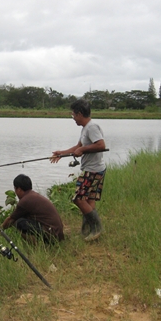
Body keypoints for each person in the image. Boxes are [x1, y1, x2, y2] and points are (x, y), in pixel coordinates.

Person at [50, 99, 106, 241]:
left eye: (73, 115)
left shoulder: (92, 127)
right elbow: (77, 147)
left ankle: (97, 228)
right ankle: (88, 231)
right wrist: (61, 153)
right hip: (95, 169)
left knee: (78, 199)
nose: (73, 118)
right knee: (89, 200)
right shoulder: (85, 128)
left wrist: (83, 149)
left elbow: (100, 145)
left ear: (80, 114)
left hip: (92, 170)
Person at [0, 174, 64, 243]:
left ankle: (37, 245)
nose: (15, 192)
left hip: (52, 235)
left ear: (19, 189)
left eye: (15, 189)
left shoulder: (25, 200)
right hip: (57, 233)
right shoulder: (33, 195)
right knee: (22, 219)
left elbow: (11, 219)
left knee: (19, 222)